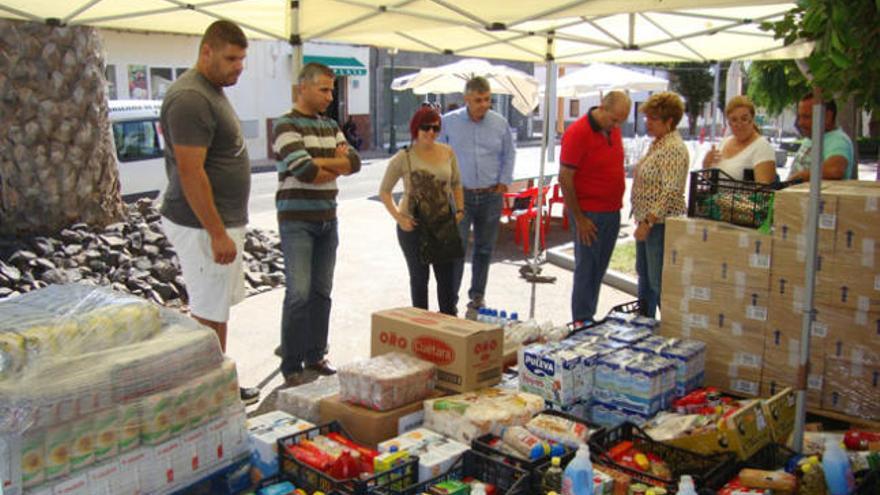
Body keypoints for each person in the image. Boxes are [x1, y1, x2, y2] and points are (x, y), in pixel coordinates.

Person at [158, 20, 260, 405]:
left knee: (216, 311)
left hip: (218, 223)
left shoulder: (210, 91)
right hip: (202, 226)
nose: (239, 66)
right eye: (231, 58)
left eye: (242, 59)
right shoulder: (190, 98)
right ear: (207, 52)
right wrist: (216, 232)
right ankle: (207, 396)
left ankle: (217, 384)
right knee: (206, 315)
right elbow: (190, 171)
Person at [272, 63, 362, 387]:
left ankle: (316, 354)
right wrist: (331, 164)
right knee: (299, 293)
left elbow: (355, 162)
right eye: (324, 89)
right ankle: (291, 364)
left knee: (322, 292)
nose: (330, 96)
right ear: (303, 88)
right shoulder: (285, 125)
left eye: (332, 89)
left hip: (328, 217)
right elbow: (305, 171)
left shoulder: (330, 124)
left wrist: (321, 162)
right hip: (297, 220)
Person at [438, 76, 515, 319]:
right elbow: (438, 155)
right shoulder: (448, 123)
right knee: (457, 250)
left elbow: (509, 154)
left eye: (488, 100)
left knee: (484, 249)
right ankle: (450, 300)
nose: (484, 104)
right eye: (479, 100)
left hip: (491, 195)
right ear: (467, 99)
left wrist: (504, 181)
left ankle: (478, 296)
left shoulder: (499, 123)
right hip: (461, 196)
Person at [379, 107, 465, 315]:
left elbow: (456, 183)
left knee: (447, 282)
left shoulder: (447, 152)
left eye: (435, 128)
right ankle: (421, 330)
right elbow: (384, 191)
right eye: (425, 127)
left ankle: (449, 328)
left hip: (443, 224)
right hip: (414, 226)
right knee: (419, 280)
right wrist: (399, 218)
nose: (431, 132)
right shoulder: (404, 157)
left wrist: (460, 210)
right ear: (416, 129)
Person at [558, 90, 631, 323]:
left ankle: (588, 317)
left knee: (598, 270)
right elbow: (565, 178)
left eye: (621, 120)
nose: (617, 125)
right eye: (614, 119)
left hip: (611, 211)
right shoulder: (578, 133)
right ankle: (581, 321)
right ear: (602, 107)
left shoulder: (613, 129)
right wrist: (579, 218)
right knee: (587, 271)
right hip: (589, 214)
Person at [630, 92, 690, 318]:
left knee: (659, 282)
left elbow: (671, 190)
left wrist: (648, 221)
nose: (648, 122)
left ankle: (671, 328)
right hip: (648, 222)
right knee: (645, 277)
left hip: (660, 224)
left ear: (669, 121)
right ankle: (644, 324)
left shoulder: (673, 147)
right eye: (647, 117)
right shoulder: (659, 143)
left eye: (653, 118)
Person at [702, 95, 777, 184]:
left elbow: (763, 192)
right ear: (729, 123)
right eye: (734, 120)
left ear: (752, 119)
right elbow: (708, 181)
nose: (739, 124)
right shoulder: (724, 142)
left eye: (744, 119)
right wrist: (706, 165)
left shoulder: (762, 147)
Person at [787, 93, 856, 181]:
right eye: (799, 117)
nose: (800, 123)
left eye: (806, 117)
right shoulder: (812, 137)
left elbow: (835, 170)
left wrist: (799, 177)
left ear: (827, 116)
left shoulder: (838, 140)